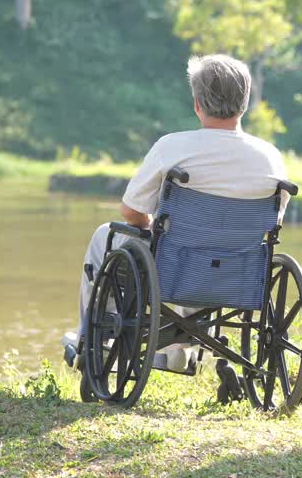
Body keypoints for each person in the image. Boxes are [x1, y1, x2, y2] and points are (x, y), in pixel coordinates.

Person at [63, 54, 290, 373]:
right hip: (239, 270)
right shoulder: (271, 158)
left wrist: (151, 224)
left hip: (176, 264)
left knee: (112, 236)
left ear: (197, 103)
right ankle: (184, 347)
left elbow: (132, 211)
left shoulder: (173, 147)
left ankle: (96, 342)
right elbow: (274, 222)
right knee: (206, 248)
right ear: (245, 102)